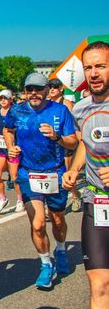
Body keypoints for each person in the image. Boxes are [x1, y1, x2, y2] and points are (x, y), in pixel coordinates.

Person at [3, 72, 77, 290]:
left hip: (55, 172)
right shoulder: (17, 110)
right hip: (28, 173)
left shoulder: (60, 111)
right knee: (37, 224)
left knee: (58, 221)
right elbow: (8, 129)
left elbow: (73, 142)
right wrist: (11, 147)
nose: (33, 93)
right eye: (29, 89)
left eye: (38, 89)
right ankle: (46, 264)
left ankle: (60, 249)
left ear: (47, 90)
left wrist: (57, 136)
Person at [63, 41, 109, 308]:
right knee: (99, 283)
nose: (94, 73)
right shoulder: (80, 109)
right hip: (97, 201)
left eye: (100, 66)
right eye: (89, 68)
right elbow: (85, 142)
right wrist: (74, 169)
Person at [47, 77, 82, 212]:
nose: (52, 89)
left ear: (61, 89)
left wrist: (76, 139)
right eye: (50, 87)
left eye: (55, 87)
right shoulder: (47, 104)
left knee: (66, 172)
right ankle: (51, 203)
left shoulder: (66, 103)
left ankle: (75, 196)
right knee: (51, 172)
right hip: (52, 143)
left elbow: (73, 123)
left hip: (65, 140)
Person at [0, 90, 24, 213]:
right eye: (1, 98)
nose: (3, 100)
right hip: (0, 148)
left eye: (5, 98)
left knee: (14, 177)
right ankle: (3, 198)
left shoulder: (15, 112)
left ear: (11, 99)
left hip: (12, 148)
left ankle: (20, 200)